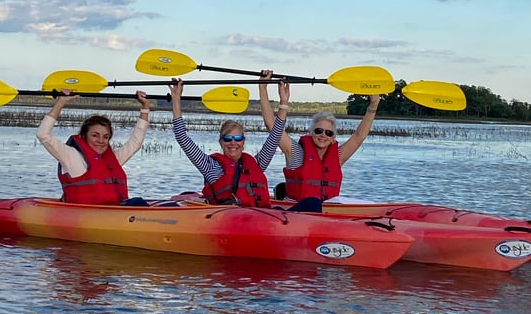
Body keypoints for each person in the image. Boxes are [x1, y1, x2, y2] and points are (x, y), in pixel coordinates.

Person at [168, 78, 322, 211]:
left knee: (313, 203)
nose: (233, 143)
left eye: (237, 138)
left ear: (243, 142)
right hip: (229, 218)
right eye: (228, 138)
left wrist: (283, 103)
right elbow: (183, 138)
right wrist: (176, 101)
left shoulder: (256, 163)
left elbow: (275, 136)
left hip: (260, 218)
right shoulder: (210, 166)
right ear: (221, 142)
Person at [259, 71, 380, 202]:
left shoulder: (338, 156)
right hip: (296, 211)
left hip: (326, 214)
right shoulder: (295, 152)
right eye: (318, 131)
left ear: (333, 137)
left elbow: (359, 136)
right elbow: (272, 125)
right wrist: (263, 87)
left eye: (328, 133)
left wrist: (373, 105)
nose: (323, 135)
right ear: (311, 133)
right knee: (312, 204)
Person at [36, 90, 152, 205]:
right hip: (83, 215)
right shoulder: (70, 156)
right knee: (138, 202)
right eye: (95, 135)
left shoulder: (112, 160)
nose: (101, 141)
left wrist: (145, 107)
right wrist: (60, 103)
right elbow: (43, 134)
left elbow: (135, 142)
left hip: (113, 215)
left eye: (105, 137)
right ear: (84, 136)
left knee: (138, 202)